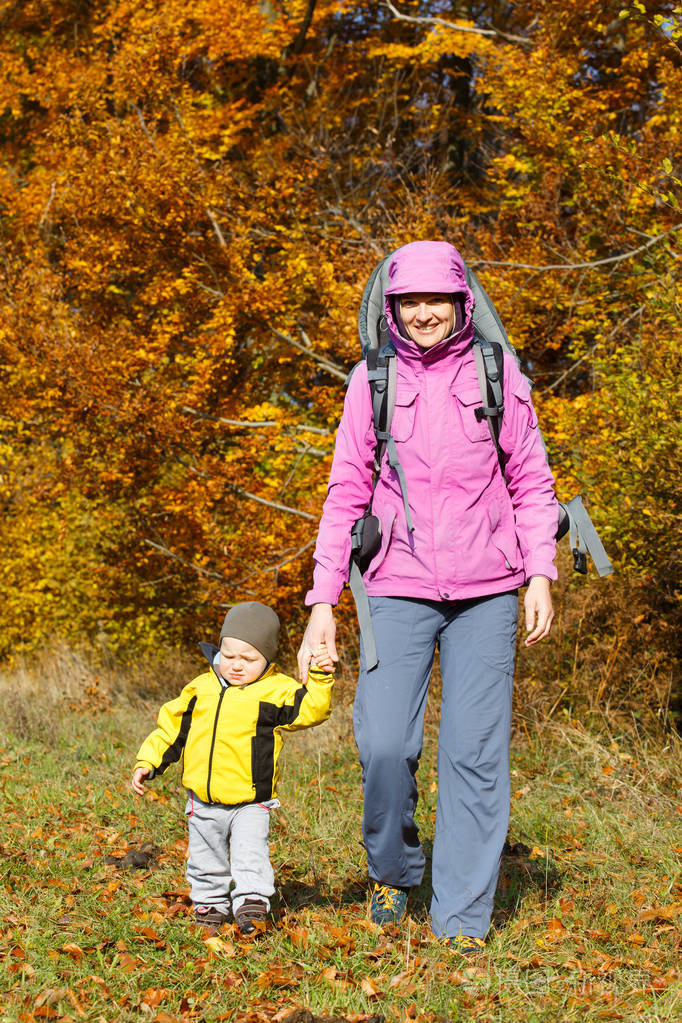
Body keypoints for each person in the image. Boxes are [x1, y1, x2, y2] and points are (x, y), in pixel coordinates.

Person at [297, 240, 557, 955]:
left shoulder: (499, 376)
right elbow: (345, 492)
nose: (422, 313)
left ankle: (462, 921)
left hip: (487, 590)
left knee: (474, 753)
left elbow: (533, 482)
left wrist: (540, 572)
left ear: (461, 301)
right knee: (384, 743)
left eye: (435, 300)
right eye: (409, 301)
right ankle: (394, 870)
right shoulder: (369, 380)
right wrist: (322, 603)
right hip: (396, 586)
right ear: (392, 306)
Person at [133, 601, 335, 935]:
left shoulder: (275, 691)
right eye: (229, 656)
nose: (236, 666)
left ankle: (252, 904)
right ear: (219, 649)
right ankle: (210, 903)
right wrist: (148, 761)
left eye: (249, 659)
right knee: (205, 856)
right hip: (203, 798)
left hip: (251, 800)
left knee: (250, 854)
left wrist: (320, 676)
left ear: (267, 659)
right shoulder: (200, 689)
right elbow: (170, 730)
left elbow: (311, 710)